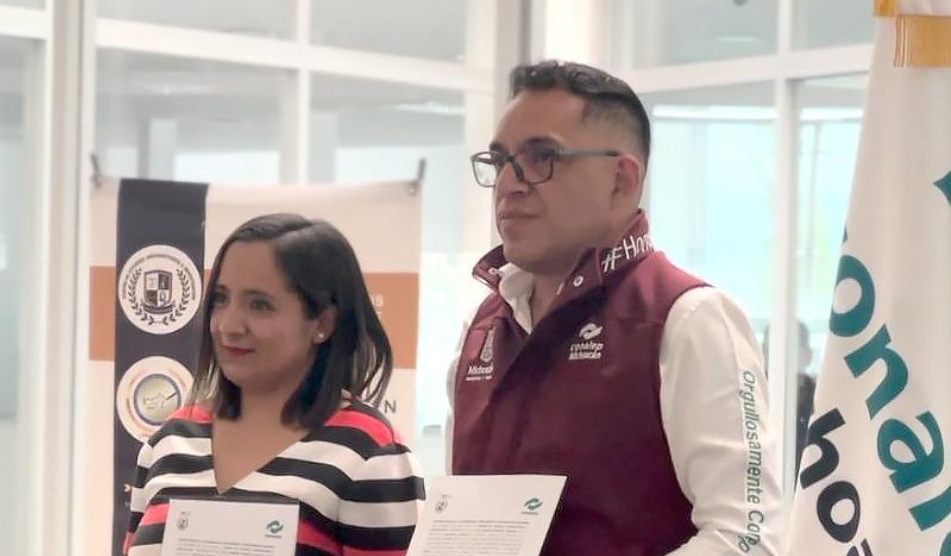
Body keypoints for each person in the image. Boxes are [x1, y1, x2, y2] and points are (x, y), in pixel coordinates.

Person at [447, 60, 782, 556]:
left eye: (541, 157)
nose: (509, 184)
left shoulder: (687, 319)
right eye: (500, 161)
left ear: (621, 180)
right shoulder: (480, 331)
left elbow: (748, 539)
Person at [123, 214, 424, 556]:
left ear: (323, 323)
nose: (229, 325)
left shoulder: (370, 453)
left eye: (260, 305)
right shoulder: (171, 441)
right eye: (221, 299)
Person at [762, 320, 817, 481]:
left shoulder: (821, 401)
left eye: (791, 351)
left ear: (808, 356)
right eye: (773, 350)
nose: (782, 360)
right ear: (762, 353)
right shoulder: (751, 398)